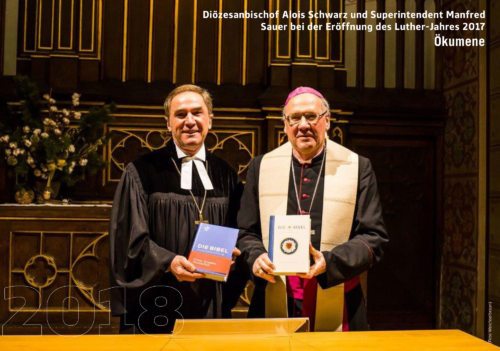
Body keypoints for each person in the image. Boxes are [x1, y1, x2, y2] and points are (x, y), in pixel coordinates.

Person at [237, 87, 388, 331]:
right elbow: (246, 231)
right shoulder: (261, 166)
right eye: (295, 118)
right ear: (285, 125)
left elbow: (374, 237)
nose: (303, 125)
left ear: (327, 120)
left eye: (312, 116)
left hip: (337, 294)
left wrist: (329, 262)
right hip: (275, 293)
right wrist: (255, 257)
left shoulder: (357, 167)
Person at [109, 84, 245, 334]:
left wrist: (234, 254)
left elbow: (240, 232)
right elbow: (129, 237)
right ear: (168, 123)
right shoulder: (142, 170)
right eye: (180, 115)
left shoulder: (226, 175)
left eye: (197, 113)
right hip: (156, 299)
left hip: (209, 301)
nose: (190, 121)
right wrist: (168, 262)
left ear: (210, 120)